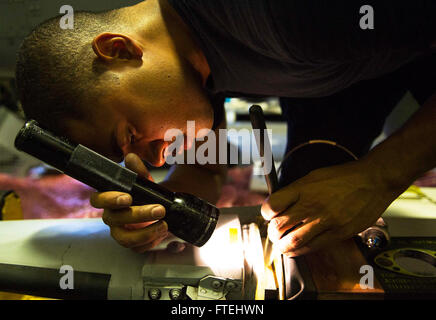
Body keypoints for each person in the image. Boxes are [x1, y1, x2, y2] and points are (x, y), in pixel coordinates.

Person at [15, 0, 436, 256]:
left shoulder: (289, 14)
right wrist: (170, 209)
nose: (160, 157)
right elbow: (205, 169)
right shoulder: (192, 56)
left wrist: (379, 175)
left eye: (129, 135)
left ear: (118, 49)